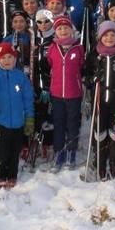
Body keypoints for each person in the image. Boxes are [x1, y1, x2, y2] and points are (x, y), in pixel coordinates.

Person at [0, 42, 34, 188]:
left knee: (15, 149)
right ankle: (0, 174)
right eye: (3, 58)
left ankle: (12, 175)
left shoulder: (21, 77)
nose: (7, 60)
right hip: (2, 121)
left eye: (10, 57)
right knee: (3, 149)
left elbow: (28, 98)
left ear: (15, 58)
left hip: (19, 121)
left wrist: (29, 118)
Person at [85, 21, 115, 180]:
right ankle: (100, 161)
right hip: (99, 101)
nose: (109, 38)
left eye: (113, 35)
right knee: (100, 133)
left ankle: (114, 162)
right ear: (100, 37)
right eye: (106, 35)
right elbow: (86, 77)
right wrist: (92, 79)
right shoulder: (94, 55)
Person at [45, 15, 85, 169]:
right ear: (56, 31)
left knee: (73, 124)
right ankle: (59, 153)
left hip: (74, 94)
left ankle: (71, 152)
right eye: (59, 28)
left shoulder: (78, 48)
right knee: (59, 123)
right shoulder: (52, 49)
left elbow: (82, 66)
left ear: (71, 30)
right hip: (56, 94)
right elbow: (49, 65)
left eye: (66, 28)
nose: (63, 31)